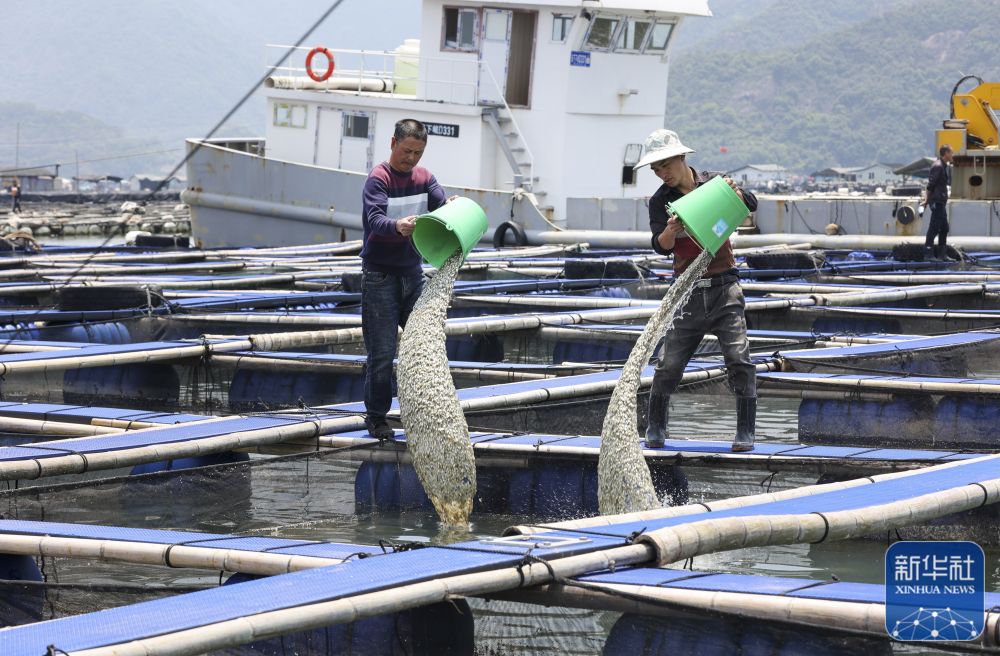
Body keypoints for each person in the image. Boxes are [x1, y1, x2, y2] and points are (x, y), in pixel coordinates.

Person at [634, 129, 759, 452]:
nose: (662, 174)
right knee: (669, 364)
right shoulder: (661, 201)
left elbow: (750, 203)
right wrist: (671, 231)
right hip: (687, 291)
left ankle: (745, 432)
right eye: (656, 170)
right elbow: (660, 245)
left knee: (739, 358)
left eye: (666, 166)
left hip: (724, 286)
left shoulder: (713, 182)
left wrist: (734, 191)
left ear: (682, 157)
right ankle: (655, 427)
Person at [361, 118, 448, 441]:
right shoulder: (379, 178)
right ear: (393, 143)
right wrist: (397, 226)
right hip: (380, 277)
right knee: (382, 354)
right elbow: (375, 220)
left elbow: (442, 208)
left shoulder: (425, 178)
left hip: (413, 275)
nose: (411, 158)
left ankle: (424, 414)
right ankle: (377, 418)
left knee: (425, 347)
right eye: (406, 151)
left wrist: (453, 207)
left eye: (417, 153)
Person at [924, 144, 953, 261]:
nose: (952, 155)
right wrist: (926, 200)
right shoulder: (938, 166)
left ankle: (942, 254)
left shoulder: (943, 166)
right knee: (934, 227)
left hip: (941, 201)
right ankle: (928, 254)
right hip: (936, 201)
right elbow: (931, 185)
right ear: (946, 153)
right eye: (951, 152)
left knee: (944, 228)